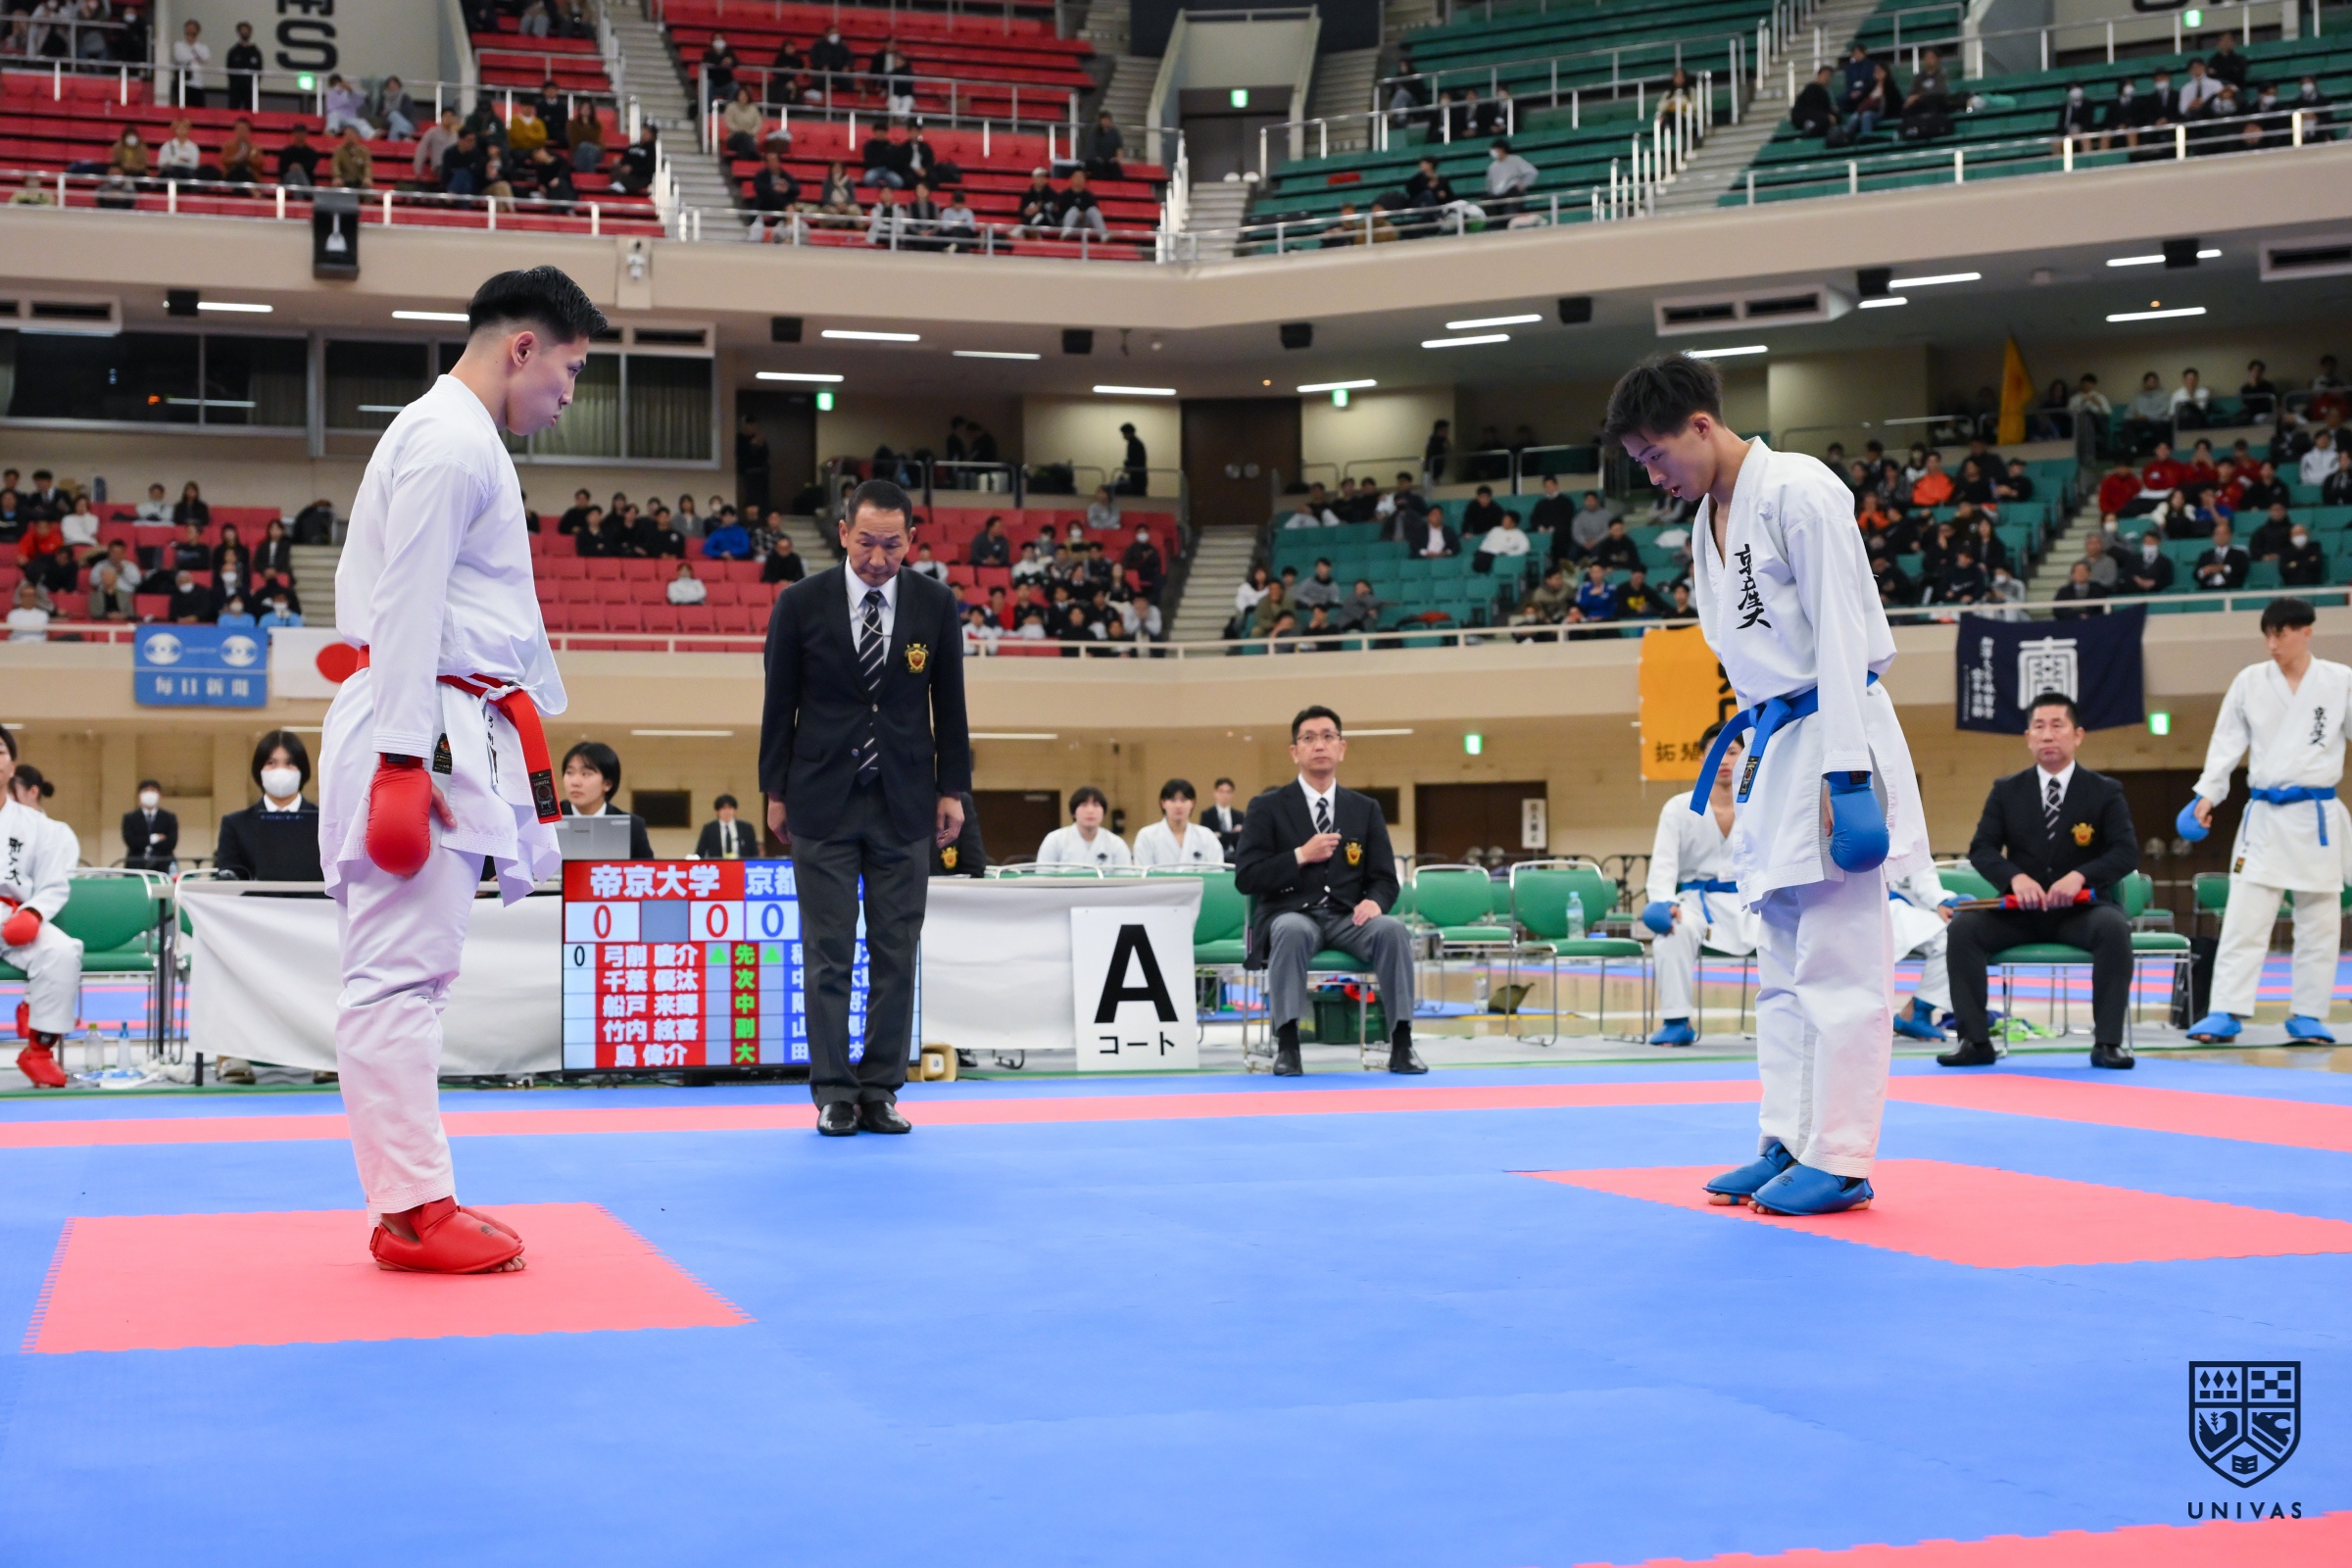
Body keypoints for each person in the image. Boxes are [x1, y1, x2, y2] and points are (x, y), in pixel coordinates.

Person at [318, 267, 601, 1273]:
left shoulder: (459, 436)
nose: (569, 395)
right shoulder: (447, 440)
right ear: (523, 347)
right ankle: (412, 1211)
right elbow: (405, 606)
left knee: (417, 974)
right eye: (571, 370)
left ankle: (412, 1200)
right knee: (398, 976)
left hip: (439, 716)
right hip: (418, 722)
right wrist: (402, 759)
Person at [1606, 352, 1927, 1215]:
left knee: (1842, 962)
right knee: (1782, 964)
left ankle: (1842, 1155)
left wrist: (1844, 773)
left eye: (1656, 456)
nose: (1654, 477)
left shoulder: (1800, 491)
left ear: (1700, 425)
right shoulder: (1709, 520)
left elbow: (1844, 638)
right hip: (1774, 745)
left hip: (1832, 732)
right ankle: (1786, 1138)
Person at [760, 478, 969, 1137]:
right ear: (844, 532)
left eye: (892, 545)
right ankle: (833, 1091)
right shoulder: (800, 603)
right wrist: (774, 791)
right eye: (867, 543)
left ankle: (880, 1088)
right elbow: (778, 704)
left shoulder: (935, 604)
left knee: (896, 951)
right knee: (828, 952)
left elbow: (951, 705)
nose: (879, 559)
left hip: (905, 800)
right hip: (820, 798)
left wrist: (952, 788)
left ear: (912, 539)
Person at [2178, 599, 2351, 1045]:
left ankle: (2308, 1014)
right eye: (2268, 635)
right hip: (2265, 817)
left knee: (2320, 923)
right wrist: (2207, 794)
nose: (2273, 644)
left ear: (2307, 631)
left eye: (2282, 634)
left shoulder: (2339, 681)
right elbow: (2225, 746)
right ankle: (2225, 1011)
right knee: (2244, 917)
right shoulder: (2250, 682)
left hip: (2316, 817)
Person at [1939, 693, 2140, 1069]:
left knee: (2114, 928)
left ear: (2077, 735)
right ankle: (1975, 1041)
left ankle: (2108, 1043)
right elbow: (1982, 848)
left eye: (2057, 726)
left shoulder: (2104, 791)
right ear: (2028, 737)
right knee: (1964, 929)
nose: (2048, 735)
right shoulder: (2006, 790)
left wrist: (2080, 876)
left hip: (2081, 911)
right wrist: (2015, 878)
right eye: (2039, 727)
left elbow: (2125, 853)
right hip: (2022, 912)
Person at [1233, 707, 1420, 1077]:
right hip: (1293, 913)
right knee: (1290, 929)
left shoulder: (1364, 809)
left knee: (1393, 931)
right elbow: (1247, 877)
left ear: (1341, 748)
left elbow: (1385, 878)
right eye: (1309, 738)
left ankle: (1402, 1043)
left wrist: (1375, 901)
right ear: (1295, 752)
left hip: (1349, 917)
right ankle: (1288, 1045)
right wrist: (1300, 855)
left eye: (1328, 736)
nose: (1319, 745)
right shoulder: (1267, 807)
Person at [1640, 732, 1759, 1046]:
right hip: (1697, 903)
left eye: (1732, 752)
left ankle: (1797, 1019)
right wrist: (1664, 903)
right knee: (1673, 929)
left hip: (1752, 900)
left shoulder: (1761, 803)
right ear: (1702, 759)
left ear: (1746, 758)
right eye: (1716, 752)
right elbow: (1663, 865)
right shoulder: (1679, 808)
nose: (1725, 760)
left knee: (1795, 927)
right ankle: (1677, 1021)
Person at [0, 728, 78, 1089]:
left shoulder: (38, 826)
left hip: (13, 914)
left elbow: (53, 882)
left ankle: (39, 1049)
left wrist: (33, 913)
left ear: (12, 766)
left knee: (62, 950)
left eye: (0, 751)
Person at [213, 729, 323, 882]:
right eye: (271, 763)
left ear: (302, 770)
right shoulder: (235, 825)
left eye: (290, 763)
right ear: (259, 770)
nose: (280, 770)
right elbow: (230, 880)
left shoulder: (323, 822)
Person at [558, 740, 655, 858]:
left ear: (607, 784)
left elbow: (647, 868)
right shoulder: (546, 823)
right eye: (569, 773)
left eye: (586, 774)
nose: (575, 782)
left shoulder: (632, 827)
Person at [1132, 777, 1224, 868]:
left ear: (1192, 803)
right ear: (1163, 803)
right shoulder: (1147, 836)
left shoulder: (1206, 836)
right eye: (1172, 800)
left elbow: (1217, 872)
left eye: (1184, 800)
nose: (1178, 805)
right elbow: (1142, 873)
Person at [1036, 785, 1131, 867]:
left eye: (1096, 805)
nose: (1090, 811)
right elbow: (1042, 876)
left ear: (1103, 812)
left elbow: (1126, 878)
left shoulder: (1116, 844)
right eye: (1083, 805)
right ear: (1073, 813)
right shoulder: (1054, 840)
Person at [122, 777, 177, 869]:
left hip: (163, 865)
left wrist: (142, 840)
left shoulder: (169, 817)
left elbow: (171, 843)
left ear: (159, 795)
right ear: (139, 795)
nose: (149, 793)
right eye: (145, 791)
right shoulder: (130, 818)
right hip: (136, 865)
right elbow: (131, 842)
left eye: (153, 791)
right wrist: (153, 838)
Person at [693, 793, 759, 859]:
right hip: (718, 864)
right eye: (723, 808)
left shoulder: (746, 828)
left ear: (735, 810)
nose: (727, 812)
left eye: (730, 808)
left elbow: (754, 853)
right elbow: (699, 853)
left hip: (741, 864)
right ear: (717, 811)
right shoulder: (709, 829)